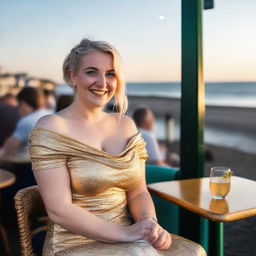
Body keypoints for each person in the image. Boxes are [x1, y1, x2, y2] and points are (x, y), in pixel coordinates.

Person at [29, 39, 172, 255]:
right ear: (72, 75)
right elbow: (59, 210)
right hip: (74, 243)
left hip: (130, 238)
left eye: (111, 74)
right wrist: (128, 234)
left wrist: (148, 223)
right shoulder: (52, 127)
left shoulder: (126, 124)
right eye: (91, 72)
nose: (102, 82)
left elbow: (138, 192)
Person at [2, 87, 52, 156]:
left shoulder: (27, 121)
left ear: (22, 103)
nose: (18, 109)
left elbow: (9, 148)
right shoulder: (49, 113)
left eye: (18, 105)